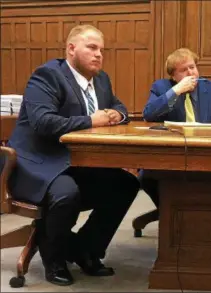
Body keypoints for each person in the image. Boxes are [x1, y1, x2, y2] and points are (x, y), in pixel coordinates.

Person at [7, 24, 140, 286]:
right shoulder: (47, 76)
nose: (99, 54)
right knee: (66, 194)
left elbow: (118, 105)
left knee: (126, 184)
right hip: (39, 162)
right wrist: (91, 119)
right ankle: (53, 257)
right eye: (91, 47)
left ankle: (85, 250)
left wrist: (118, 115)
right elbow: (44, 122)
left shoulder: (101, 79)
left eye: (101, 49)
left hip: (77, 161)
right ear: (71, 49)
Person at [141, 47, 211, 209]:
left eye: (192, 67)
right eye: (183, 70)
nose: (190, 73)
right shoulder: (162, 87)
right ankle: (169, 211)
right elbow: (148, 114)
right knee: (146, 175)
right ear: (173, 76)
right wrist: (176, 91)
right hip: (172, 153)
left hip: (207, 152)